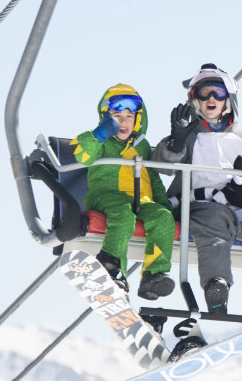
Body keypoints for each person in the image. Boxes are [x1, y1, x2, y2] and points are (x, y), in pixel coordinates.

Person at [153, 63, 242, 319]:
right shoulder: (189, 136)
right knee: (214, 225)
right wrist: (175, 140)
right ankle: (216, 285)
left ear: (228, 99)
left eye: (218, 94)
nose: (211, 99)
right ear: (194, 99)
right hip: (199, 205)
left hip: (240, 206)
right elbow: (163, 166)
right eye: (204, 93)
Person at [72, 83, 175, 300]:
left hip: (141, 200)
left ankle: (153, 274)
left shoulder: (142, 146)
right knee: (124, 215)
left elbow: (152, 177)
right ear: (106, 118)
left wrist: (163, 202)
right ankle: (111, 266)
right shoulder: (101, 142)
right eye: (116, 115)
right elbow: (82, 154)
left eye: (129, 116)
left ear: (138, 119)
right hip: (106, 196)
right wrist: (99, 134)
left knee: (163, 217)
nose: (123, 121)